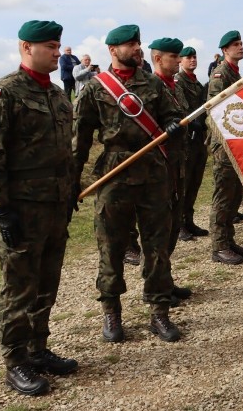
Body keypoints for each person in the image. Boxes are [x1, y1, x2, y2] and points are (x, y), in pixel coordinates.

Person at [0, 20, 77, 396]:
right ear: (26, 47)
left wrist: (69, 195)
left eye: (58, 45)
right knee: (19, 288)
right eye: (50, 46)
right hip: (22, 209)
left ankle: (37, 349)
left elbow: (63, 153)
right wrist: (2, 211)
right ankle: (15, 360)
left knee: (46, 283)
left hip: (54, 206)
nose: (56, 52)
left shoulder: (57, 95)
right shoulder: (5, 93)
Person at [73, 24, 184, 343]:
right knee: (111, 246)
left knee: (157, 246)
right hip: (114, 173)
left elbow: (170, 114)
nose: (137, 48)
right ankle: (111, 312)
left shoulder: (151, 83)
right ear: (113, 50)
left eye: (138, 43)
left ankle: (159, 312)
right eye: (130, 44)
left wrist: (172, 124)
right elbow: (79, 139)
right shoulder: (96, 88)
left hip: (152, 173)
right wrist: (72, 182)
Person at [148, 37, 194, 307]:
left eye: (179, 56)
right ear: (158, 58)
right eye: (173, 57)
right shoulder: (150, 87)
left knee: (173, 224)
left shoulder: (174, 87)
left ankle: (166, 279)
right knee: (159, 230)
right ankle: (156, 286)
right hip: (159, 166)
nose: (178, 60)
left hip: (177, 163)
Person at [207, 31, 243, 264]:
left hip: (238, 142)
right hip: (224, 144)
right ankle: (218, 247)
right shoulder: (220, 74)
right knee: (224, 195)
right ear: (225, 50)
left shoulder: (235, 72)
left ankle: (228, 241)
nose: (240, 47)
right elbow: (216, 110)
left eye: (241, 43)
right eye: (235, 45)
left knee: (235, 193)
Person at [176, 46, 210, 240]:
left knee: (195, 182)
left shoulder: (197, 84)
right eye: (188, 57)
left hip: (198, 140)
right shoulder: (178, 82)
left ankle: (188, 220)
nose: (192, 60)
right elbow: (183, 108)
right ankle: (179, 223)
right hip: (186, 140)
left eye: (194, 57)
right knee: (184, 183)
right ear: (181, 61)